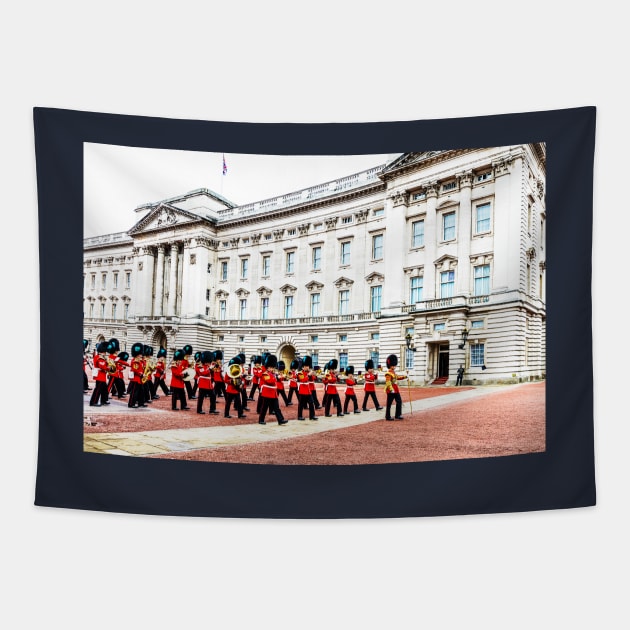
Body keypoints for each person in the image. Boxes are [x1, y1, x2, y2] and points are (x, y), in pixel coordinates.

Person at [258, 354, 288, 425]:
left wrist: (280, 376)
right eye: (271, 367)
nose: (272, 369)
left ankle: (280, 420)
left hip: (273, 393)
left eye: (272, 367)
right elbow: (269, 381)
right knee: (264, 408)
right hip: (267, 393)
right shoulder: (265, 374)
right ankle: (261, 420)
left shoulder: (272, 374)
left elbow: (275, 380)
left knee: (276, 408)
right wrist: (276, 377)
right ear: (267, 367)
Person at [384, 354, 407, 420]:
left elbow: (398, 377)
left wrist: (405, 376)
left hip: (396, 389)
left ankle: (398, 415)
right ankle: (387, 416)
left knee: (399, 401)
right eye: (393, 365)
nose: (394, 367)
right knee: (389, 404)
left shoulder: (393, 372)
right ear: (390, 365)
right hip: (391, 390)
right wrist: (391, 389)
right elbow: (388, 382)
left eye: (394, 365)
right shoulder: (388, 373)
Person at [89, 341, 112, 407]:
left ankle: (104, 400)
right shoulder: (99, 357)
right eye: (105, 352)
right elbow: (102, 366)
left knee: (104, 389)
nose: (105, 353)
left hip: (102, 376)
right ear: (102, 351)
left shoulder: (101, 357)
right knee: (98, 390)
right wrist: (108, 368)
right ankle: (93, 402)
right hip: (99, 375)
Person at [128, 342, 147, 408]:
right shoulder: (135, 361)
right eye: (140, 354)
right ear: (137, 355)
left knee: (141, 392)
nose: (141, 355)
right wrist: (141, 374)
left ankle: (141, 403)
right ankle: (131, 404)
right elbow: (135, 369)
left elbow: (143, 366)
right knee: (134, 392)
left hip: (140, 379)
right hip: (136, 379)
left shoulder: (140, 361)